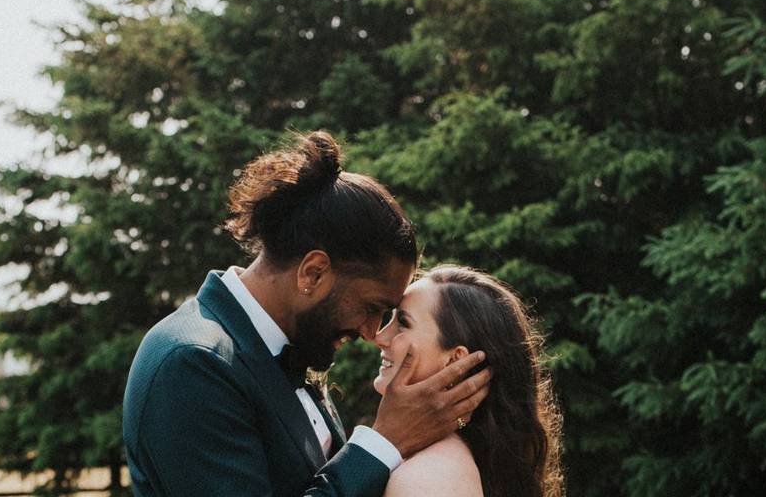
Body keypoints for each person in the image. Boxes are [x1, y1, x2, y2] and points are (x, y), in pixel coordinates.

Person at [123, 131, 491, 497]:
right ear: (313, 272)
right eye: (372, 308)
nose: (371, 333)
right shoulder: (193, 363)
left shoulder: (287, 347)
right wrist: (385, 441)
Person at [374, 265, 564, 497]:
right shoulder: (454, 460)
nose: (379, 337)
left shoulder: (430, 477)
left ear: (456, 360)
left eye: (403, 323)